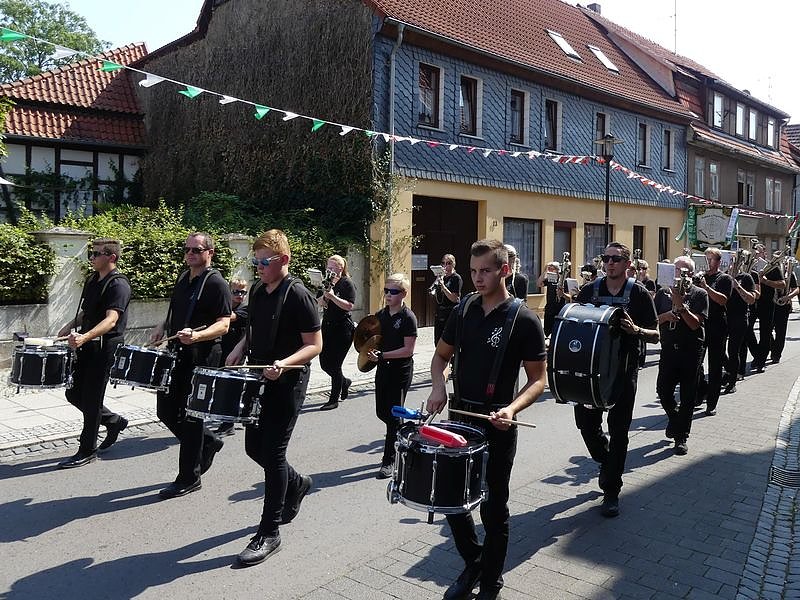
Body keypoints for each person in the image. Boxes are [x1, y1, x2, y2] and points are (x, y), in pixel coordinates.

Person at [427, 239, 547, 600]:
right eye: (474, 271)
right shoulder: (464, 309)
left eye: (486, 271)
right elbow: (440, 358)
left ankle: (491, 581)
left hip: (498, 423)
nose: (478, 278)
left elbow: (539, 379)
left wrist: (512, 409)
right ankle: (475, 561)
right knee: (450, 499)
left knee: (495, 508)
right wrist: (437, 387)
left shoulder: (523, 318)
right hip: (459, 418)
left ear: (504, 270)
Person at [226, 229, 322, 566]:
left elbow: (314, 344)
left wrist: (285, 363)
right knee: (254, 448)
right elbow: (253, 327)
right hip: (259, 379)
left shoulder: (298, 294)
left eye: (264, 261)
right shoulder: (257, 289)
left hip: (288, 382)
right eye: (255, 261)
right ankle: (296, 484)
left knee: (274, 453)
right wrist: (240, 347)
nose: (259, 267)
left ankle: (269, 532)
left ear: (283, 259)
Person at [573, 242, 659, 517]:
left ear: (627, 264)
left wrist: (636, 330)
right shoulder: (589, 290)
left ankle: (611, 491)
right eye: (606, 258)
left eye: (616, 259)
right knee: (586, 424)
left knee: (619, 429)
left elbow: (656, 334)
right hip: (592, 369)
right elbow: (574, 323)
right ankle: (606, 459)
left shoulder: (639, 293)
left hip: (624, 369)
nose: (609, 263)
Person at [150, 232, 232, 500]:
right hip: (179, 352)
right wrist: (163, 326)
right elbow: (174, 309)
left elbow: (224, 323)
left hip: (203, 354)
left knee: (192, 416)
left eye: (196, 250)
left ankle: (188, 477)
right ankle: (208, 441)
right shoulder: (184, 278)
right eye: (187, 249)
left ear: (210, 253)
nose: (190, 254)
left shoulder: (216, 282)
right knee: (165, 409)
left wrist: (197, 336)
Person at [57, 239, 131, 468]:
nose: (92, 257)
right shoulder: (92, 280)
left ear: (112, 257)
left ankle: (86, 450)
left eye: (97, 254)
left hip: (105, 346)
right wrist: (69, 326)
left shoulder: (118, 285)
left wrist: (84, 336)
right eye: (92, 253)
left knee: (91, 399)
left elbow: (111, 320)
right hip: (88, 344)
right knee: (74, 394)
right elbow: (87, 312)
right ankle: (114, 421)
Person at [654, 256, 708, 455]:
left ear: (691, 275)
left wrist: (681, 306)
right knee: (663, 391)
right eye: (676, 270)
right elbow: (653, 321)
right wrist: (666, 316)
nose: (679, 274)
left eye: (684, 271)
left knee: (687, 396)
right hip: (669, 348)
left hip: (691, 350)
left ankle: (681, 437)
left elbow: (696, 324)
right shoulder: (661, 293)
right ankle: (675, 418)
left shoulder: (699, 293)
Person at [369, 273, 417, 479]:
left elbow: (408, 350)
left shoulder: (408, 318)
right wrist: (369, 352)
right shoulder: (380, 315)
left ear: (403, 294)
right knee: (382, 412)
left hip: (400, 370)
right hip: (384, 368)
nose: (388, 295)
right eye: (386, 291)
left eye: (393, 292)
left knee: (392, 416)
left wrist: (383, 355)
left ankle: (388, 461)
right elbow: (375, 340)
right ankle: (409, 429)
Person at [694, 247, 732, 415]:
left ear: (718, 261)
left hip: (717, 325)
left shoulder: (724, 278)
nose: (708, 262)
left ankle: (712, 403)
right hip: (700, 325)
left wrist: (706, 287)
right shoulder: (698, 278)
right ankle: (701, 392)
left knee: (715, 366)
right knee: (695, 364)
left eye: (711, 259)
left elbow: (723, 300)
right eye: (705, 259)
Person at [318, 254, 356, 411]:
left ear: (341, 268)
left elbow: (349, 306)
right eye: (328, 267)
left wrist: (332, 297)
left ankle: (334, 399)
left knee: (335, 364)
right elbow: (319, 303)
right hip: (327, 325)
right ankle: (344, 382)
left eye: (333, 267)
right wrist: (324, 296)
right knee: (323, 362)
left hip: (343, 328)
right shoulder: (326, 283)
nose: (330, 270)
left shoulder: (347, 283)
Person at [217, 278, 250, 435]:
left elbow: (230, 317)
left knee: (229, 387)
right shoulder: (225, 306)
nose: (240, 295)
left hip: (236, 353)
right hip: (221, 351)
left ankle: (228, 424)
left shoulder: (245, 309)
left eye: (243, 292)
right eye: (236, 292)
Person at [723, 259, 756, 393]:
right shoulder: (723, 277)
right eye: (730, 262)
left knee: (733, 350)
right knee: (719, 350)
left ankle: (732, 382)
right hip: (724, 318)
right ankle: (731, 371)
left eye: (735, 262)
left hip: (740, 318)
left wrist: (737, 286)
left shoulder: (746, 278)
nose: (732, 265)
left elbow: (752, 299)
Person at [751, 244, 785, 372]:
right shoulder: (749, 266)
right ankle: (757, 353)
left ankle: (760, 361)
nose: (756, 255)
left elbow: (782, 284)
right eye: (754, 252)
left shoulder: (771, 267)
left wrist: (765, 281)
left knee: (765, 332)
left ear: (764, 253)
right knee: (748, 330)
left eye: (758, 253)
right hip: (752, 302)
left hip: (767, 303)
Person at [432, 253, 463, 346]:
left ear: (453, 264)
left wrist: (444, 287)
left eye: (448, 263)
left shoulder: (456, 278)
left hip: (450, 313)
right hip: (440, 312)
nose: (445, 266)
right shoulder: (441, 277)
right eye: (443, 263)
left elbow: (454, 298)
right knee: (438, 341)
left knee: (449, 342)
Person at [770, 267, 798, 364]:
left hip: (784, 305)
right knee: (767, 329)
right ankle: (773, 348)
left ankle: (776, 354)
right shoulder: (771, 272)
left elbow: (796, 289)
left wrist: (788, 297)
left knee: (780, 332)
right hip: (771, 304)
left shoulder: (789, 273)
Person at [537, 261, 566, 336]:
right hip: (549, 307)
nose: (550, 270)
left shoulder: (564, 281)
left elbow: (570, 296)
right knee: (547, 330)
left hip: (560, 308)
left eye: (551, 269)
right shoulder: (549, 280)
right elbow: (539, 284)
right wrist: (545, 271)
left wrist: (562, 294)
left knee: (557, 329)